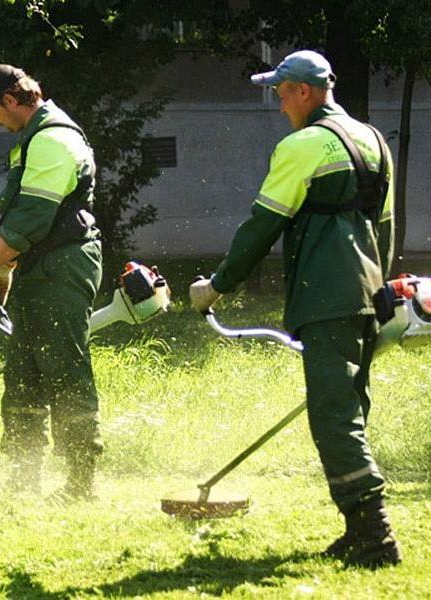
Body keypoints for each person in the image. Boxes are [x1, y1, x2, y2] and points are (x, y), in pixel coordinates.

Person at [188, 50, 401, 568]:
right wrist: (379, 288)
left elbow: (263, 225)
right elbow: (386, 227)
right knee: (349, 410)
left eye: (281, 93)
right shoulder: (374, 141)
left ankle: (377, 537)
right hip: (368, 296)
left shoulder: (303, 144)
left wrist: (217, 286)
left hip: (326, 298)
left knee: (334, 419)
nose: (278, 104)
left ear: (304, 91)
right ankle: (357, 529)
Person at [0, 64, 103, 500]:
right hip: (40, 265)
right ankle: (22, 475)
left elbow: (33, 218)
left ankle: (79, 481)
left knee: (64, 370)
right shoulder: (30, 144)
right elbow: (22, 220)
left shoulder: (53, 140)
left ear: (11, 101)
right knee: (23, 374)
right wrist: (2, 272)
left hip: (63, 265)